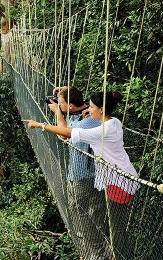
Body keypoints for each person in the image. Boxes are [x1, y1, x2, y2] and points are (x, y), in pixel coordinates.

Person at [25, 91, 139, 260]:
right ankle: (110, 253)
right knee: (112, 225)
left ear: (101, 109)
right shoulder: (113, 122)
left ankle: (104, 254)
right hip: (123, 178)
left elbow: (68, 133)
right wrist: (66, 91)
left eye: (91, 107)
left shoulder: (100, 130)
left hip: (118, 182)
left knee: (114, 228)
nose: (88, 109)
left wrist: (40, 125)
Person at [49, 86, 105, 259]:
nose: (58, 104)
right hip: (95, 175)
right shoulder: (84, 114)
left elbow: (65, 134)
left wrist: (57, 114)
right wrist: (64, 90)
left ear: (71, 106)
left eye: (61, 103)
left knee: (78, 212)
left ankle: (97, 251)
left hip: (83, 176)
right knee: (94, 212)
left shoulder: (87, 121)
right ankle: (97, 244)